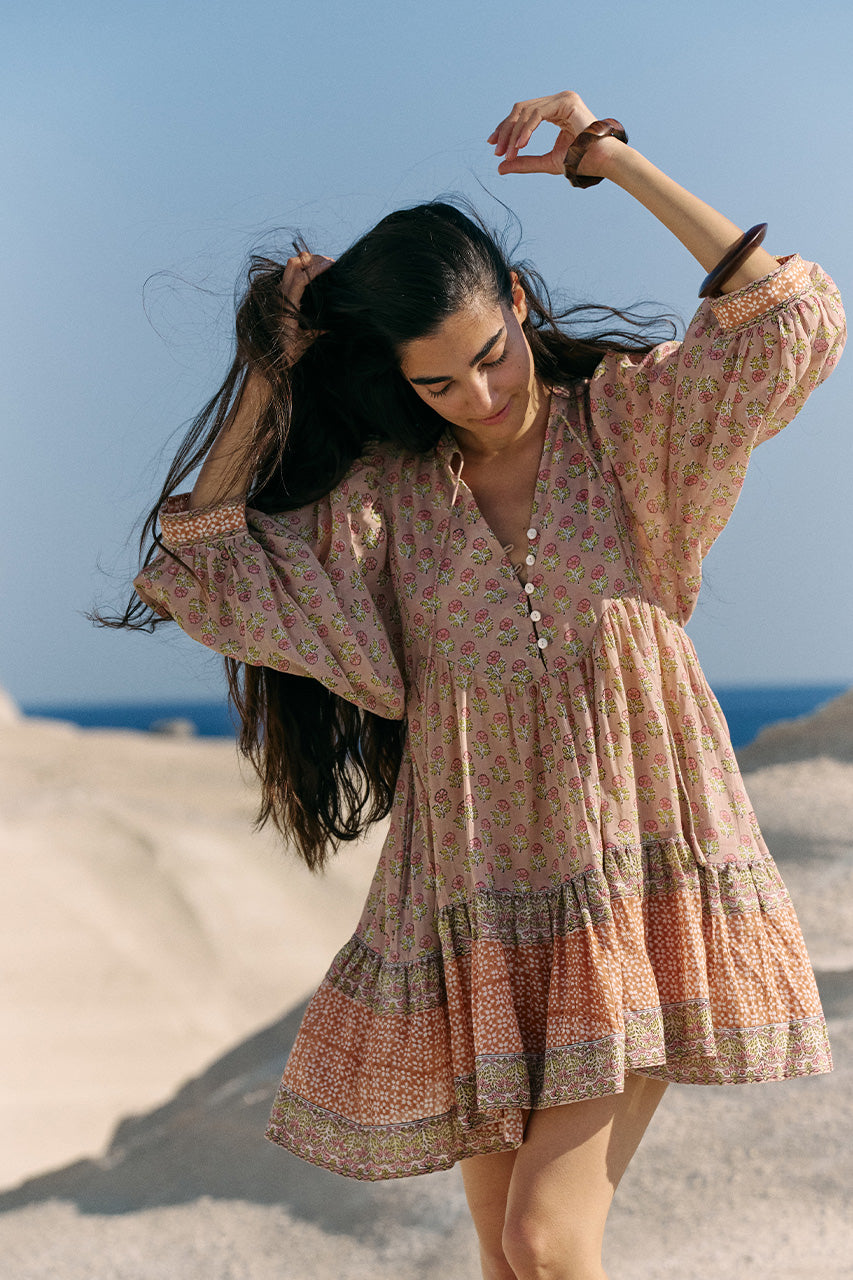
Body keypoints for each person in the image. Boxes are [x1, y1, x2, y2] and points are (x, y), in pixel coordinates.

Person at [125, 91, 845, 1280]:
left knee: (544, 1243)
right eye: (436, 384)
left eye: (489, 356)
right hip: (483, 923)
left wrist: (608, 158)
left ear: (516, 300)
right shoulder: (382, 509)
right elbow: (198, 563)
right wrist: (268, 369)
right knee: (508, 1260)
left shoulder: (626, 432)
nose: (479, 397)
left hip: (638, 893)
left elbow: (786, 321)